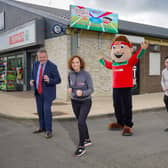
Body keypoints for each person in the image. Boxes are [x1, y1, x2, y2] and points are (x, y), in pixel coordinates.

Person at [99, 35, 148, 136]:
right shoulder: (114, 64)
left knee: (126, 106)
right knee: (117, 106)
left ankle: (128, 125)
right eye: (115, 48)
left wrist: (142, 49)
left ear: (128, 49)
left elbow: (136, 57)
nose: (117, 51)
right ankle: (120, 123)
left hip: (126, 87)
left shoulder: (129, 62)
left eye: (121, 48)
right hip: (116, 87)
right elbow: (108, 65)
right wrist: (101, 60)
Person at [30, 48, 61, 138]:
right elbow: (33, 75)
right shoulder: (35, 64)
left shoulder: (52, 66)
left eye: (44, 57)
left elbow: (58, 80)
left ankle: (48, 131)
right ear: (37, 57)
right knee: (40, 111)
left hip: (48, 93)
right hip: (38, 92)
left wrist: (49, 80)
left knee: (46, 111)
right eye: (40, 57)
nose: (42, 59)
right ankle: (41, 127)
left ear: (47, 56)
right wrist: (31, 80)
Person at [68, 56, 94, 157]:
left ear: (80, 63)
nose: (75, 64)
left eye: (77, 62)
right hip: (74, 101)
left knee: (80, 122)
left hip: (85, 101)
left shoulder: (86, 75)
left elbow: (91, 89)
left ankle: (81, 146)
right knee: (81, 121)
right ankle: (87, 139)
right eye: (73, 63)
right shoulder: (70, 74)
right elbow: (70, 85)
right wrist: (69, 89)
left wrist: (82, 92)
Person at [161, 56, 168, 132]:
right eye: (166, 62)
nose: (167, 64)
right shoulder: (163, 71)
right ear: (164, 63)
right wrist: (163, 87)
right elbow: (162, 81)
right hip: (166, 95)